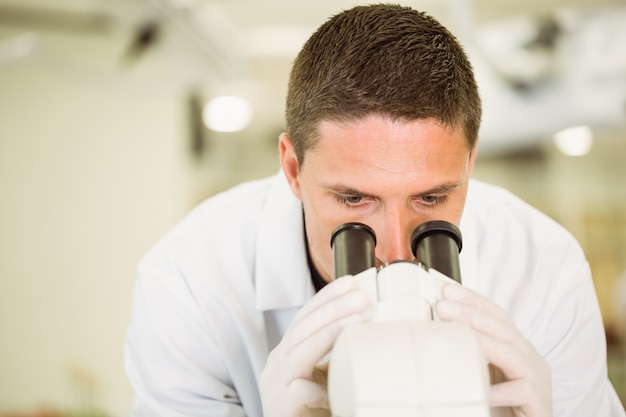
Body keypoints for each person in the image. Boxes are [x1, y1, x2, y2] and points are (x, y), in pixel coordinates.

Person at [124, 4, 625, 417]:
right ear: (294, 170)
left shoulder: (544, 267)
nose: (394, 249)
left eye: (430, 200)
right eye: (353, 199)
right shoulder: (190, 281)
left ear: (470, 166)